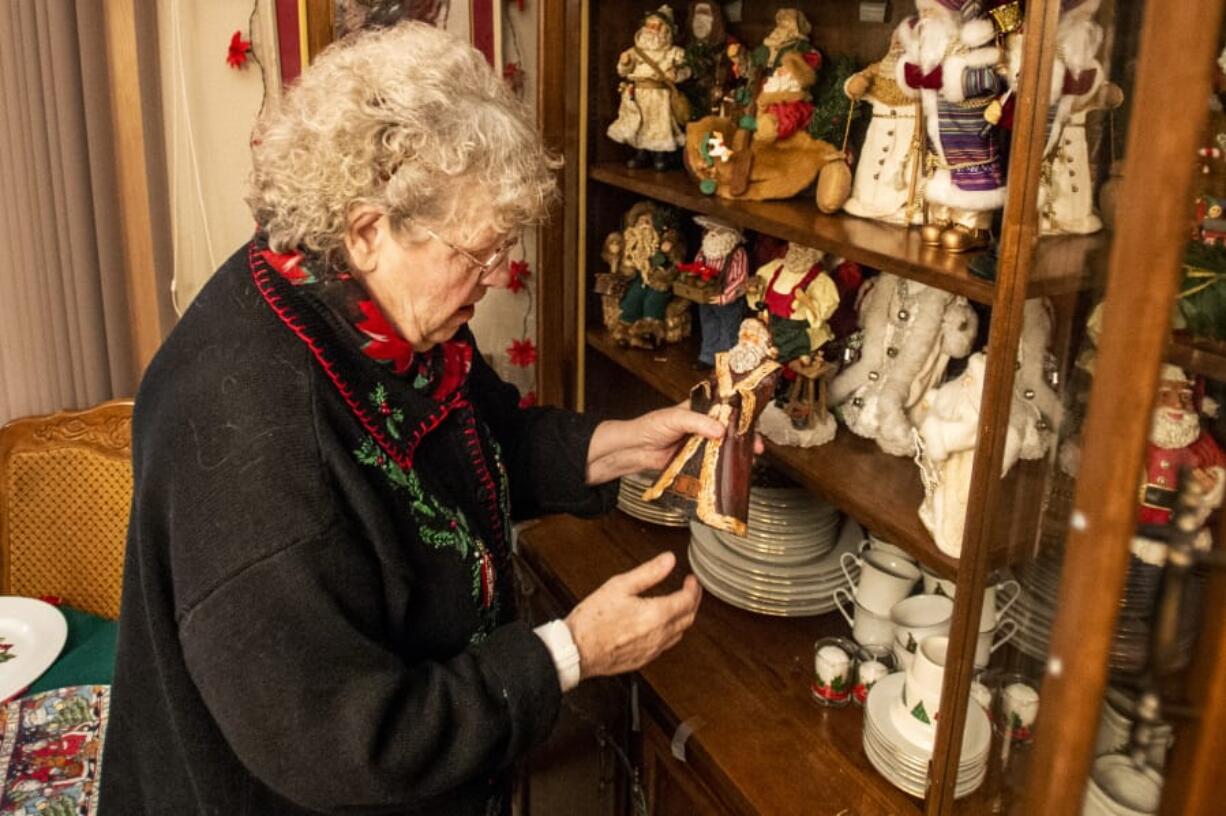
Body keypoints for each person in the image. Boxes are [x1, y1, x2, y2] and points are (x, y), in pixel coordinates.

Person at [99, 22, 718, 816]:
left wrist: (618, 447)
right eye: (475, 254)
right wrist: (570, 651)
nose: (492, 278)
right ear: (366, 229)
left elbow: (472, 443)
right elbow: (348, 745)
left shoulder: (360, 307)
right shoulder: (257, 431)